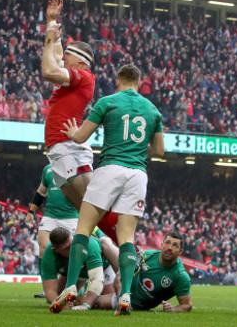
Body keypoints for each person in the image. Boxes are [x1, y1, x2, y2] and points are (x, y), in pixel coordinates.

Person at [51, 63, 164, 315]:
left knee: (83, 228)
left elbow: (80, 137)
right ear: (139, 81)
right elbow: (158, 151)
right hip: (137, 173)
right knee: (126, 238)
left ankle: (70, 287)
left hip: (111, 167)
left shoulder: (107, 102)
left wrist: (72, 131)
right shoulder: (153, 110)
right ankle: (125, 294)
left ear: (117, 80)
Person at [41, 0, 118, 240]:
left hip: (68, 147)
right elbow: (56, 54)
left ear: (81, 61)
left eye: (69, 57)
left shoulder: (84, 76)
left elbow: (48, 69)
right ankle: (111, 256)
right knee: (85, 213)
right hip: (58, 149)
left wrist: (48, 41)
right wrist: (52, 21)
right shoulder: (73, 77)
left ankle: (128, 247)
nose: (64, 58)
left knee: (94, 204)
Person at [89, 231, 193, 313]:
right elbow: (119, 277)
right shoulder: (149, 255)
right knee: (105, 243)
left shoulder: (180, 276)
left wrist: (172, 310)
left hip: (134, 304)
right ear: (162, 245)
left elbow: (187, 305)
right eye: (168, 243)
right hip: (123, 289)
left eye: (175, 245)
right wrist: (122, 296)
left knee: (94, 302)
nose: (170, 248)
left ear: (180, 252)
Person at [26, 163, 79, 298]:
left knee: (72, 251)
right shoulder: (47, 169)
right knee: (43, 249)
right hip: (50, 216)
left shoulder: (77, 167)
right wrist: (31, 211)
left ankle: (74, 285)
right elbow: (41, 192)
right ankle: (47, 289)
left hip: (71, 217)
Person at [41, 227, 108, 311]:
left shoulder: (89, 245)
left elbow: (97, 280)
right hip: (74, 273)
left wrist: (86, 305)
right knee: (59, 296)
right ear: (55, 250)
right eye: (67, 248)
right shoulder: (49, 253)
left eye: (73, 244)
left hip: (103, 266)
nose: (73, 249)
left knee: (106, 302)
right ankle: (78, 294)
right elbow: (50, 291)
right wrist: (61, 304)